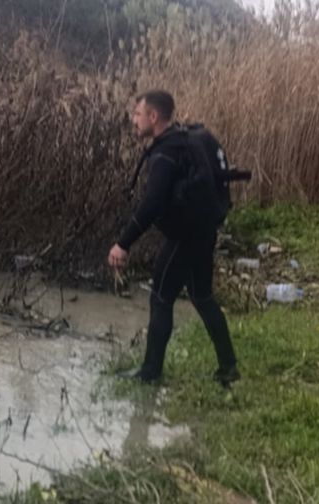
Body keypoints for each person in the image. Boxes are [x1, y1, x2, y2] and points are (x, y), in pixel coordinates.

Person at [108, 90, 239, 386]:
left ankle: (150, 372)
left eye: (137, 114)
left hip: (185, 236)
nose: (134, 120)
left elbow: (152, 204)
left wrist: (123, 243)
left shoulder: (166, 153)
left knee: (161, 299)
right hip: (204, 231)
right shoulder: (184, 141)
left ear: (153, 117)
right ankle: (228, 366)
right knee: (202, 297)